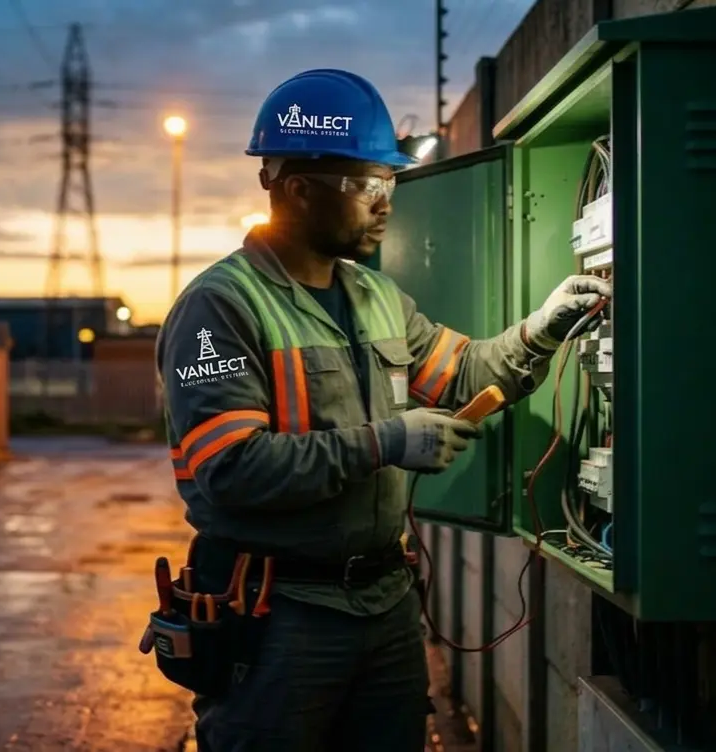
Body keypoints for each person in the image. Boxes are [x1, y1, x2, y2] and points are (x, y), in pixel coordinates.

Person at [153, 68, 611, 751]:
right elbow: (228, 468)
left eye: (389, 184)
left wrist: (540, 328)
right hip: (280, 615)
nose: (384, 203)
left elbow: (463, 375)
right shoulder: (219, 307)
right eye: (367, 185)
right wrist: (384, 443)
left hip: (384, 608)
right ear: (297, 189)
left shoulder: (374, 295)